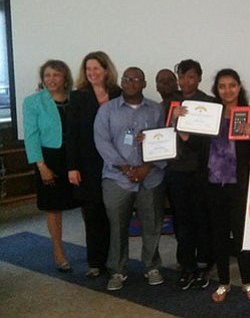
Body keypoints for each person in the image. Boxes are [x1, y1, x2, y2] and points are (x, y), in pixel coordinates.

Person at [94, 67, 167, 291]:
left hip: (151, 176)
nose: (130, 82)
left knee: (152, 224)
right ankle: (117, 270)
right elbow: (102, 142)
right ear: (121, 82)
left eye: (136, 79)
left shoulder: (156, 110)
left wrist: (146, 167)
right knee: (117, 225)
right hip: (117, 177)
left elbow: (164, 141)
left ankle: (152, 266)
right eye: (127, 79)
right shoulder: (107, 111)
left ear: (144, 84)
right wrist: (126, 168)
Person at [205, 69, 250, 302]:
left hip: (239, 182)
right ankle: (224, 283)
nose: (227, 90)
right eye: (222, 86)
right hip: (213, 182)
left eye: (232, 85)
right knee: (218, 233)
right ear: (217, 90)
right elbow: (195, 142)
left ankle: (247, 282)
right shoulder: (210, 114)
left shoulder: (249, 114)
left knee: (241, 234)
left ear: (239, 87)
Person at [66, 51, 121, 278]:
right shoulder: (79, 97)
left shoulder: (119, 93)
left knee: (113, 215)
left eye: (96, 68)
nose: (92, 73)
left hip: (115, 164)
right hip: (87, 165)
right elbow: (72, 134)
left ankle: (114, 261)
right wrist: (72, 167)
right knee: (92, 215)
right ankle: (95, 262)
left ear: (106, 70)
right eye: (88, 69)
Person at [23, 60, 80, 272]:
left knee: (85, 201)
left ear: (65, 77)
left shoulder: (76, 98)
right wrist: (41, 166)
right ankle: (58, 251)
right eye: (47, 75)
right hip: (49, 158)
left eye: (56, 75)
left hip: (75, 157)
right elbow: (31, 136)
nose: (51, 79)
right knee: (53, 206)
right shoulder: (33, 102)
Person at [165, 59, 214, 290]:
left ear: (200, 77)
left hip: (200, 170)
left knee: (202, 218)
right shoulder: (170, 103)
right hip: (176, 171)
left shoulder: (210, 103)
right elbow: (162, 136)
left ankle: (204, 262)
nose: (185, 82)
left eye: (190, 76)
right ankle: (186, 264)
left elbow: (208, 143)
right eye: (181, 77)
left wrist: (186, 134)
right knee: (181, 220)